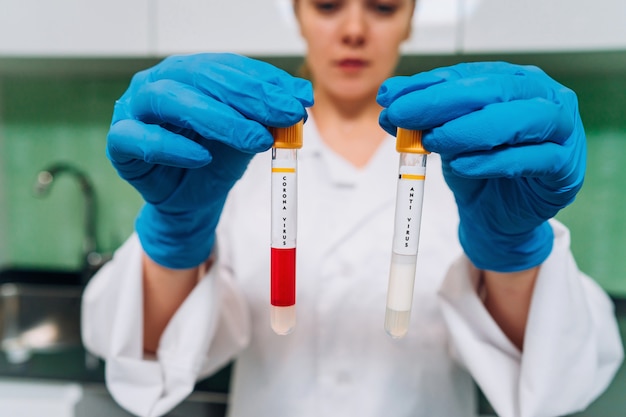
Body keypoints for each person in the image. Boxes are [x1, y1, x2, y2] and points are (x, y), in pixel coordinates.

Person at [81, 0, 623, 416]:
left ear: (411, 18)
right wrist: (174, 234)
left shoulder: (472, 156)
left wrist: (515, 255)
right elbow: (140, 353)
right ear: (296, 11)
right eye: (327, 4)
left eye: (384, 6)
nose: (355, 29)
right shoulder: (235, 155)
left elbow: (562, 370)